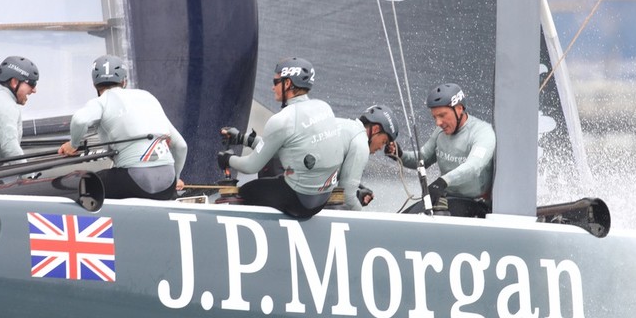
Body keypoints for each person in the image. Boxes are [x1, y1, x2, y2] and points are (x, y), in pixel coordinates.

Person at [217, 57, 343, 218]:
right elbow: (283, 147)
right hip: (322, 198)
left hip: (300, 202)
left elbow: (250, 166)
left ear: (288, 83)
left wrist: (227, 159)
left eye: (275, 82)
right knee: (280, 175)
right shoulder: (324, 107)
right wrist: (244, 139)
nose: (272, 87)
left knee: (246, 191)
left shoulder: (283, 119)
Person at [57, 54, 187, 200]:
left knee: (84, 183)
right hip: (167, 185)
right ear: (124, 81)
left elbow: (80, 121)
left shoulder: (101, 101)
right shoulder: (148, 97)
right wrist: (175, 178)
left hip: (134, 181)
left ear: (94, 84)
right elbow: (181, 146)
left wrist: (73, 144)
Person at [389, 83, 495, 218]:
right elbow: (424, 159)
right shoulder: (441, 132)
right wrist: (400, 155)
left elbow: (474, 166)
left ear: (459, 109)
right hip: (446, 199)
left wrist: (443, 181)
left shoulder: (482, 132)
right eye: (435, 117)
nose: (438, 122)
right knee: (402, 219)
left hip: (475, 204)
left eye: (442, 115)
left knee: (422, 224)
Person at [334, 104, 400, 210]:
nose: (381, 148)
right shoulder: (361, 143)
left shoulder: (345, 125)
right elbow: (347, 198)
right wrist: (364, 221)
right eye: (383, 142)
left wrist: (355, 195)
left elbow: (325, 192)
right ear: (375, 129)